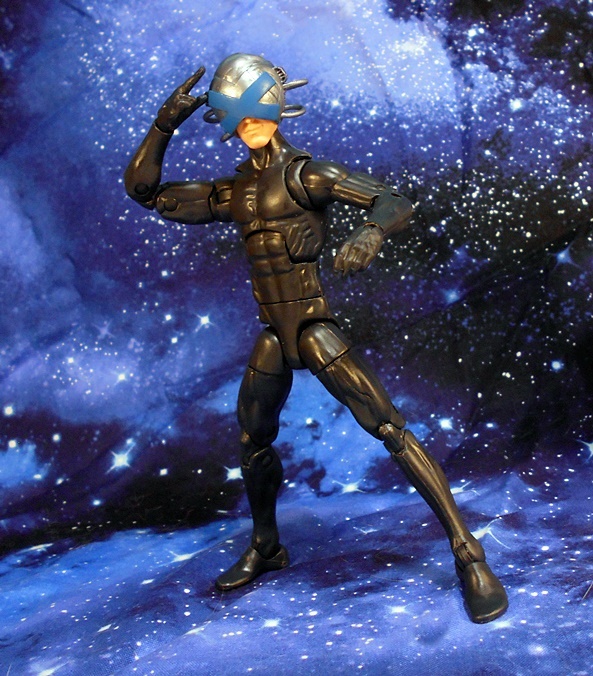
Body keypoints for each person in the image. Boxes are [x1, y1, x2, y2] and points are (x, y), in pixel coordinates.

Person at [124, 53, 508, 623]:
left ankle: (469, 554)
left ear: (278, 107)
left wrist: (370, 233)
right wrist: (164, 123)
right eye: (237, 116)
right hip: (272, 335)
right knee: (253, 439)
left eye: (257, 111)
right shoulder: (234, 191)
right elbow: (146, 192)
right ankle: (266, 546)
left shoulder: (307, 175)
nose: (249, 125)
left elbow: (394, 200)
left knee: (390, 428)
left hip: (311, 327)